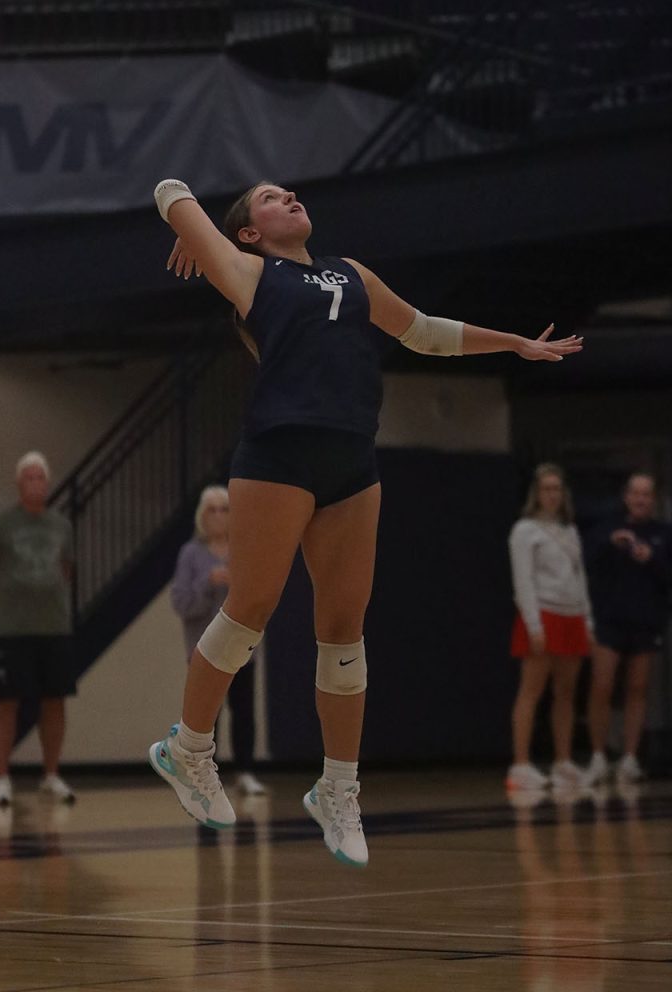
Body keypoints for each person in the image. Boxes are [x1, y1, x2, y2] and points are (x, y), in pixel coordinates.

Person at [147, 177, 583, 867]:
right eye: (268, 197)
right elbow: (168, 188)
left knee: (344, 631)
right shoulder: (249, 271)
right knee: (250, 608)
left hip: (352, 457)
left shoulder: (352, 274)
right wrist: (191, 226)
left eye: (289, 192)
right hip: (278, 450)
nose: (288, 195)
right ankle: (188, 750)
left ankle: (339, 789)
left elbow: (425, 333)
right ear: (250, 233)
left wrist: (516, 344)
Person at [0, 451, 77, 806]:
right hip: (12, 629)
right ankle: (1, 778)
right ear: (19, 483)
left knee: (55, 701)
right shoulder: (0, 525)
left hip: (54, 627)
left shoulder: (61, 525)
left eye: (41, 478)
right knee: (6, 703)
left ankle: (51, 774)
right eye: (29, 477)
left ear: (47, 483)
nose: (36, 483)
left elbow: (66, 568)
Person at [170, 484, 266, 796]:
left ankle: (246, 771)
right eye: (212, 509)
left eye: (225, 508)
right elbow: (182, 604)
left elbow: (259, 597)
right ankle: (203, 773)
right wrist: (207, 583)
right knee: (207, 716)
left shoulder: (245, 551)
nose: (219, 516)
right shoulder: (190, 554)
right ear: (202, 516)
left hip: (241, 648)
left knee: (244, 712)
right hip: (203, 650)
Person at [506, 463, 594, 794]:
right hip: (543, 614)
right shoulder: (524, 530)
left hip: (572, 615)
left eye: (557, 488)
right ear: (536, 493)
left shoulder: (570, 530)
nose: (552, 494)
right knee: (532, 690)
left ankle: (563, 761)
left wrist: (587, 620)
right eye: (547, 488)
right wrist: (533, 623)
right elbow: (523, 580)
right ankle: (521, 764)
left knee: (567, 692)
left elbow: (579, 576)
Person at [585, 472, 672, 783]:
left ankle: (630, 758)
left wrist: (652, 559)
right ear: (626, 496)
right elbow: (587, 561)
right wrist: (610, 543)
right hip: (608, 619)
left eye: (646, 494)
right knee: (603, 686)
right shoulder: (606, 529)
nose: (640, 499)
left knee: (637, 689)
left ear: (654, 499)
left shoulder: (664, 533)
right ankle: (597, 756)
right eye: (635, 493)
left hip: (645, 621)